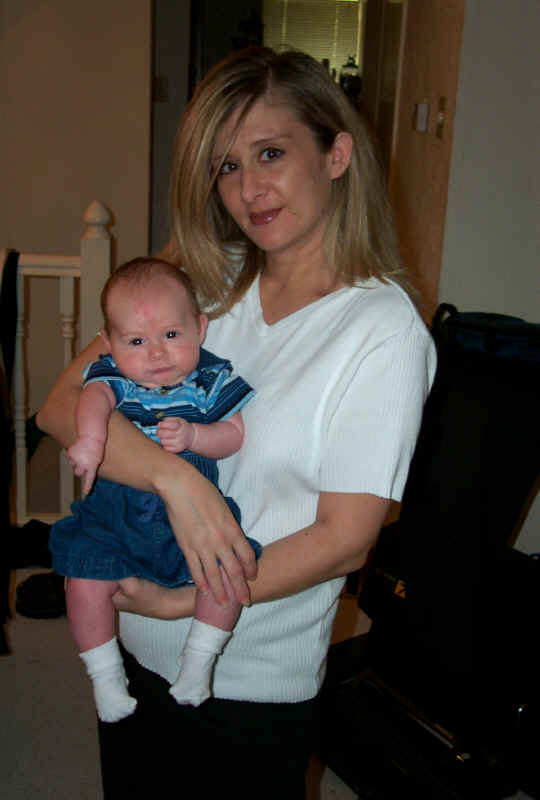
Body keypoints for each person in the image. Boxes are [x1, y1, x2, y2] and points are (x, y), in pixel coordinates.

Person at [38, 47, 436, 799]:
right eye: (227, 166)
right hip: (131, 642)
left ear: (336, 154)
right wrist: (175, 482)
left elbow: (345, 538)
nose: (249, 189)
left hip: (249, 675)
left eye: (271, 153)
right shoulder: (202, 285)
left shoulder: (382, 331)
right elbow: (61, 404)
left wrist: (180, 601)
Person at [49, 257, 258, 722]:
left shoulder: (209, 379)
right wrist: (90, 442)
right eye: (137, 341)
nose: (157, 354)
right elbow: (91, 401)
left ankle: (198, 662)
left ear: (200, 328)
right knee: (82, 580)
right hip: (114, 516)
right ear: (109, 344)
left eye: (171, 334)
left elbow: (234, 434)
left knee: (225, 575)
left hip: (195, 519)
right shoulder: (113, 378)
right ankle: (105, 678)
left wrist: (196, 436)